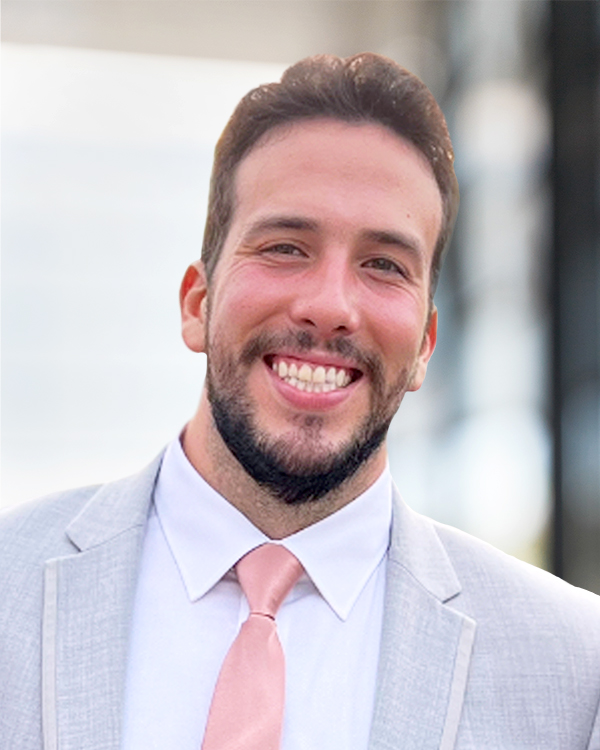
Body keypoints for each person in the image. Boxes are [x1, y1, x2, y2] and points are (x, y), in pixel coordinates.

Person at [1, 53, 599, 750]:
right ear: (197, 303)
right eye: (286, 247)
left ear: (425, 346)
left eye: (384, 265)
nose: (330, 306)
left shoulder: (575, 668)